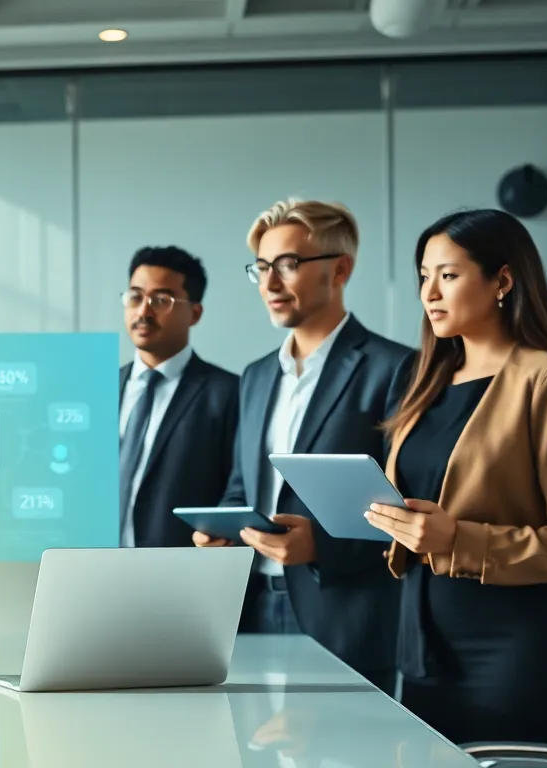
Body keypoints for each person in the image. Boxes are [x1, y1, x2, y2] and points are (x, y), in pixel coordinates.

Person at [365, 209, 547, 746]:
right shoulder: (422, 380)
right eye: (423, 276)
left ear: (502, 280)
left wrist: (458, 538)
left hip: (513, 654)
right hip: (423, 646)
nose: (430, 292)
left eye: (447, 275)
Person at [195, 199, 411, 694]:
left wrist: (323, 546)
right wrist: (221, 528)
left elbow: (411, 504)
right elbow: (239, 486)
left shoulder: (394, 369)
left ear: (340, 269)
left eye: (288, 265)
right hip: (251, 610)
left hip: (344, 613)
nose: (270, 283)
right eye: (262, 268)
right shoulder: (254, 377)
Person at [118, 246, 239, 548]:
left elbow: (240, 488)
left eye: (161, 300)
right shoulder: (97, 390)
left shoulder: (229, 394)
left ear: (195, 313)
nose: (143, 311)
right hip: (90, 571)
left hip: (182, 573)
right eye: (135, 297)